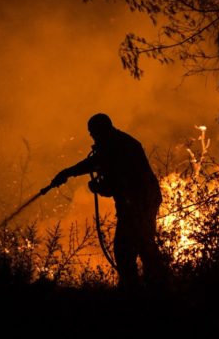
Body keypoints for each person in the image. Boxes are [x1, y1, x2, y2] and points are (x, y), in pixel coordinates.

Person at [47, 113, 169, 291]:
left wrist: (97, 187)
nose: (92, 136)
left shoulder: (120, 147)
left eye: (93, 132)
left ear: (101, 130)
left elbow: (119, 180)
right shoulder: (115, 144)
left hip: (138, 204)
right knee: (140, 247)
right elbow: (95, 164)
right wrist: (66, 173)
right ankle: (153, 287)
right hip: (137, 203)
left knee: (129, 249)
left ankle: (142, 290)